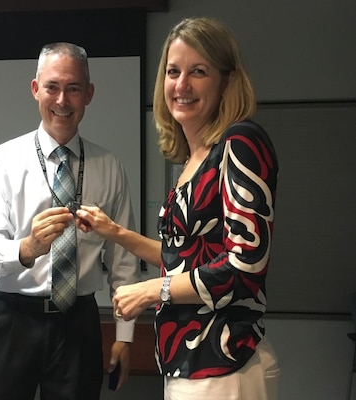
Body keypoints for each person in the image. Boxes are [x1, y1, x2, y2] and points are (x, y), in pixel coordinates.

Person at [76, 17, 280, 400]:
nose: (181, 85)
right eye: (173, 72)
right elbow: (185, 258)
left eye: (198, 71)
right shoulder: (191, 159)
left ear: (227, 80)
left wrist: (152, 291)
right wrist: (114, 232)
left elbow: (244, 267)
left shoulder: (240, 142)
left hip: (223, 361)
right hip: (187, 362)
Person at [0, 42, 141, 400]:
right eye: (52, 87)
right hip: (12, 318)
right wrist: (27, 248)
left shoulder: (109, 167)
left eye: (73, 89)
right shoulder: (1, 161)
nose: (62, 100)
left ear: (88, 94)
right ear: (36, 90)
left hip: (78, 321)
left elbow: (124, 261)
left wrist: (125, 336)